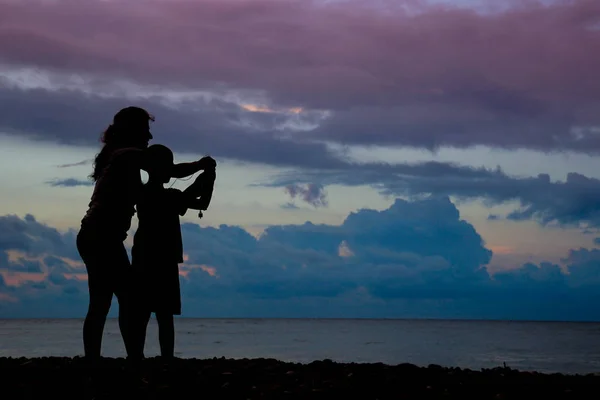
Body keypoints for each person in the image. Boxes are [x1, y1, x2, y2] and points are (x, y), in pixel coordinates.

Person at [76, 106, 216, 361]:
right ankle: (131, 359)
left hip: (94, 235)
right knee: (127, 299)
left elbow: (164, 175)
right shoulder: (128, 155)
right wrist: (200, 164)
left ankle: (95, 360)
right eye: (146, 131)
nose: (149, 137)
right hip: (101, 237)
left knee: (102, 302)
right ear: (133, 131)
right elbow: (169, 170)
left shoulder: (119, 157)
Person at [130, 144, 216, 360]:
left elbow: (196, 200)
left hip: (144, 255)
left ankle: (137, 356)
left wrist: (203, 174)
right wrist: (206, 176)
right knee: (163, 313)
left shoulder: (142, 192)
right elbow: (201, 201)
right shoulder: (168, 196)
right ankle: (165, 357)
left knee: (143, 312)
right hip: (162, 257)